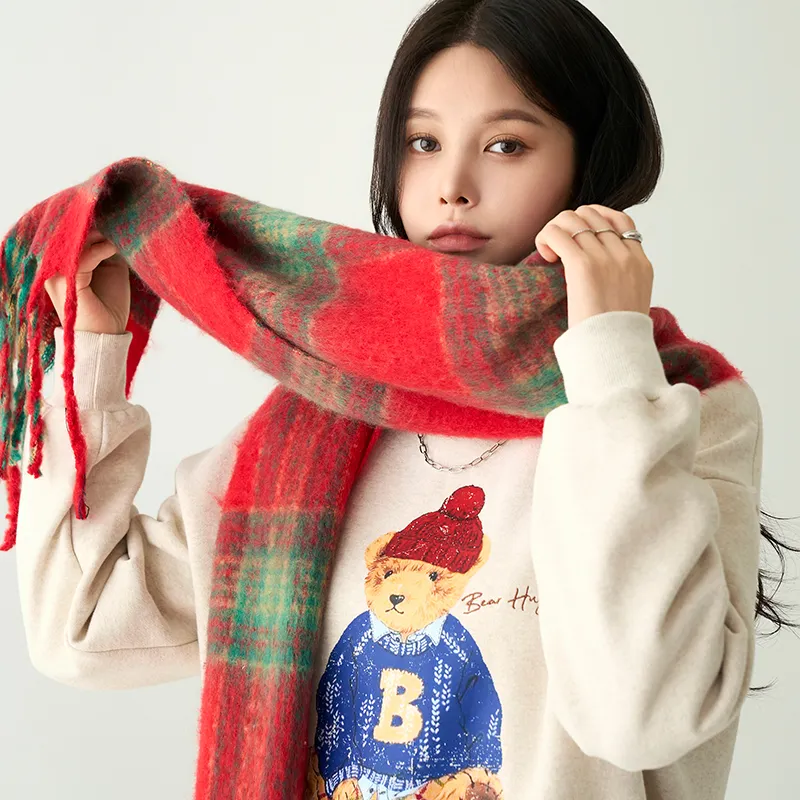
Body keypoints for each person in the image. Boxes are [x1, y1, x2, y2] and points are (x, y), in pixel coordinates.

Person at [14, 1, 794, 798]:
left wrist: (609, 360)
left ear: (588, 163)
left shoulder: (676, 404)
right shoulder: (320, 412)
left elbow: (639, 717)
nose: (452, 187)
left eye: (506, 145)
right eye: (423, 143)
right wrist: (90, 355)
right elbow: (83, 627)